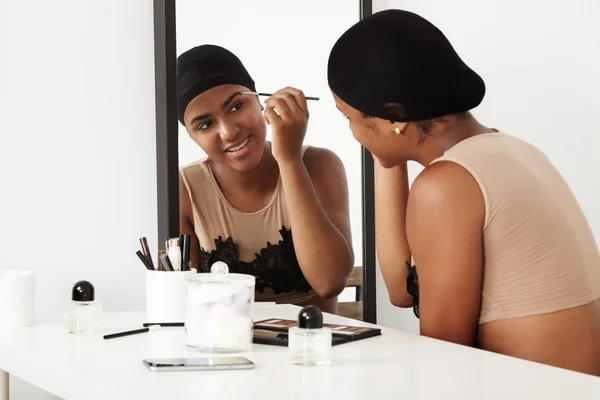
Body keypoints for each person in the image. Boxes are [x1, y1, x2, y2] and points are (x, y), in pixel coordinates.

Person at [327, 9, 600, 375]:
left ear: (392, 117)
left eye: (349, 118)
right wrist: (388, 151)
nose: (353, 133)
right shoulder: (512, 151)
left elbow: (445, 361)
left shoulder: (446, 186)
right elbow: (401, 289)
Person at [177, 44, 354, 314]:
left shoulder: (319, 165)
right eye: (205, 125)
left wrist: (290, 159)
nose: (228, 131)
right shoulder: (184, 188)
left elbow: (329, 282)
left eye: (236, 106)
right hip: (225, 349)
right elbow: (184, 303)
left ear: (260, 100)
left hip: (313, 347)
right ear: (191, 136)